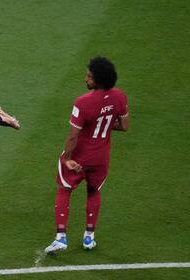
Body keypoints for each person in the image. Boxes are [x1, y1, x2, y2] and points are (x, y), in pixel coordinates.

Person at [45, 57, 129, 253]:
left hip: (81, 155)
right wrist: (105, 124)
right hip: (101, 158)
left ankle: (61, 238)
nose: (85, 79)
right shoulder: (120, 97)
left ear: (98, 80)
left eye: (89, 76)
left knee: (64, 189)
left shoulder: (82, 102)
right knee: (93, 191)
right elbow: (124, 126)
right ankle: (89, 238)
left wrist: (66, 159)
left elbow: (73, 136)